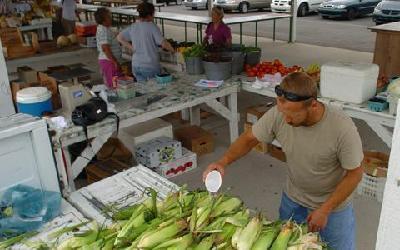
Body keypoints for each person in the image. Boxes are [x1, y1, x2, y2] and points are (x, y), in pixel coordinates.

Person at [203, 72, 363, 250]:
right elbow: (249, 138)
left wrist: (326, 209)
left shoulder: (342, 128)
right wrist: (223, 161)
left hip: (333, 209)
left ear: (313, 105)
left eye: (292, 115)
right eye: (282, 111)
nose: (285, 119)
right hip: (293, 200)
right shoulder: (280, 114)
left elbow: (355, 174)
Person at [117, 2, 174, 82]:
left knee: (143, 90)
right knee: (154, 89)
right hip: (149, 65)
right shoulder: (152, 26)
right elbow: (164, 44)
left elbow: (119, 37)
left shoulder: (133, 26)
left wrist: (132, 48)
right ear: (150, 14)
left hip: (136, 65)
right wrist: (172, 50)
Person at [94, 7, 123, 88]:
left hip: (107, 61)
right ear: (103, 20)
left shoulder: (103, 28)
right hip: (109, 61)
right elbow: (105, 48)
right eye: (109, 17)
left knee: (113, 82)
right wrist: (114, 62)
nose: (111, 19)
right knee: (114, 84)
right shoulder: (104, 30)